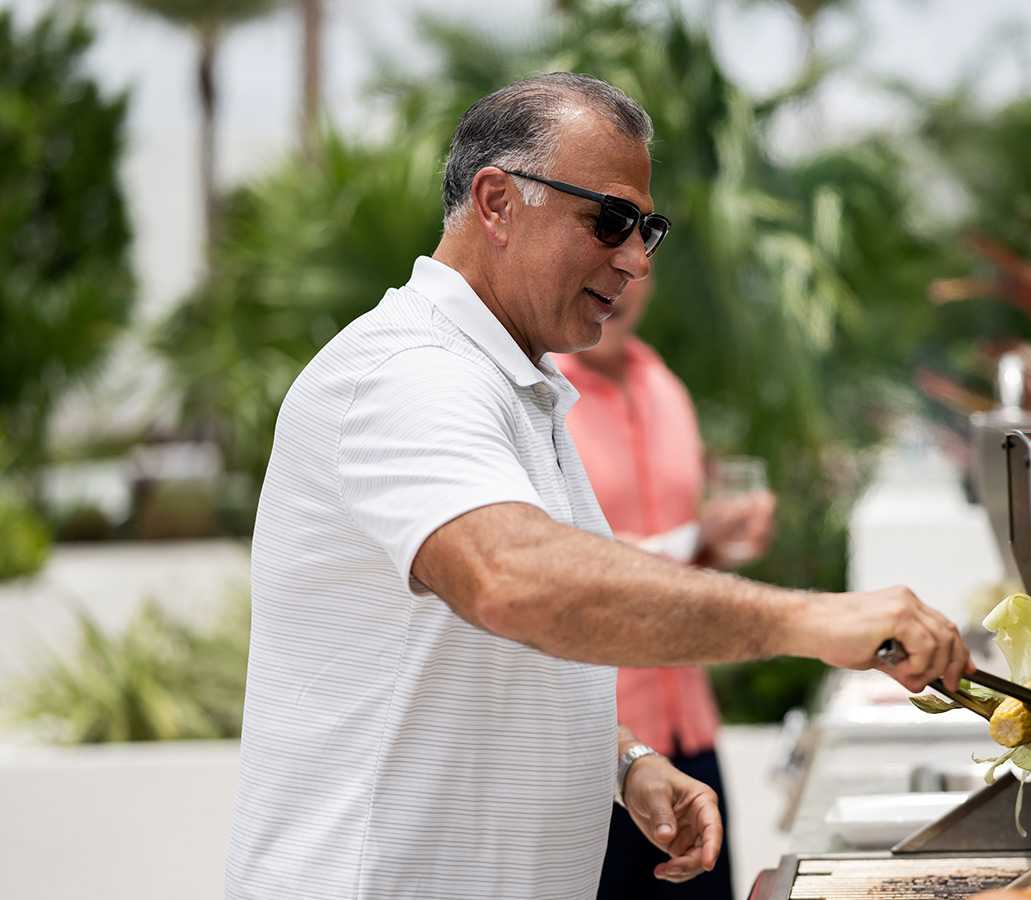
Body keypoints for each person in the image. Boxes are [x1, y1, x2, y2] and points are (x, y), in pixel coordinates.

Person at [224, 72, 972, 900]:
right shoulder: (408, 373)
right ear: (498, 202)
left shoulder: (513, 382)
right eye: (609, 219)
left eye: (646, 228)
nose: (635, 261)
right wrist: (809, 618)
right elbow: (513, 584)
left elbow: (486, 648)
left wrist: (623, 760)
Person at [556, 277, 774, 899]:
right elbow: (567, 556)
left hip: (689, 727)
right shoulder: (545, 394)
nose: (620, 283)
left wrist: (717, 540)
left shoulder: (665, 386)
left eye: (638, 263)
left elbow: (677, 549)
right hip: (602, 739)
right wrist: (693, 537)